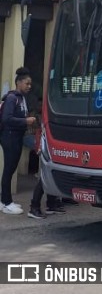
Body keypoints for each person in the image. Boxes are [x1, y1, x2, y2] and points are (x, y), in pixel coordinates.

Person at [0, 67, 37, 215]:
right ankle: (7, 202)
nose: (29, 86)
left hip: (16, 137)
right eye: (27, 83)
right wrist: (25, 121)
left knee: (11, 169)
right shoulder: (12, 98)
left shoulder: (21, 98)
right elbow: (7, 119)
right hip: (9, 137)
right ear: (19, 82)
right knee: (9, 169)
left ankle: (5, 201)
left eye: (30, 84)